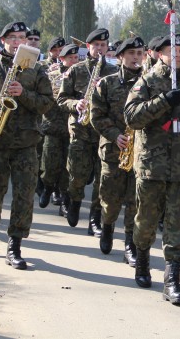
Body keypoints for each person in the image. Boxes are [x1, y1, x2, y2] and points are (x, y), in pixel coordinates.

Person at [124, 34, 180, 306]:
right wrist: (163, 101)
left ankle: (172, 279)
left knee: (177, 225)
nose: (177, 54)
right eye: (171, 50)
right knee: (146, 221)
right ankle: (142, 261)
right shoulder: (147, 82)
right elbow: (132, 117)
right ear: (159, 53)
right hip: (153, 165)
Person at [0, 21, 53, 270]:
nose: (18, 42)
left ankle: (14, 246)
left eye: (22, 37)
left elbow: (47, 103)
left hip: (26, 143)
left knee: (24, 197)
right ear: (3, 40)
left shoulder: (36, 69)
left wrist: (23, 93)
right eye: (12, 37)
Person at [57, 28, 117, 235]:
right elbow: (62, 100)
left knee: (102, 179)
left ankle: (95, 218)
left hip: (104, 133)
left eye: (103, 45)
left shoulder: (114, 72)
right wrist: (76, 104)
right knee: (77, 175)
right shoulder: (76, 70)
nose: (99, 49)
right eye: (95, 45)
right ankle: (74, 201)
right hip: (81, 131)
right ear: (88, 47)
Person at [90, 36, 144, 266]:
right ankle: (108, 225)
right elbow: (96, 116)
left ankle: (130, 245)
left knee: (134, 201)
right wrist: (114, 135)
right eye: (131, 53)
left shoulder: (148, 83)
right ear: (121, 56)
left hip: (140, 152)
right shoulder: (106, 84)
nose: (136, 57)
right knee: (110, 199)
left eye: (140, 53)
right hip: (114, 150)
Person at [38, 43, 79, 210]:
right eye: (70, 58)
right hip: (53, 125)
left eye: (76, 58)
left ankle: (64, 198)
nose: (74, 61)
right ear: (62, 59)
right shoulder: (52, 74)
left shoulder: (80, 74)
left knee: (66, 166)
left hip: (71, 128)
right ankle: (47, 187)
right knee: (49, 163)